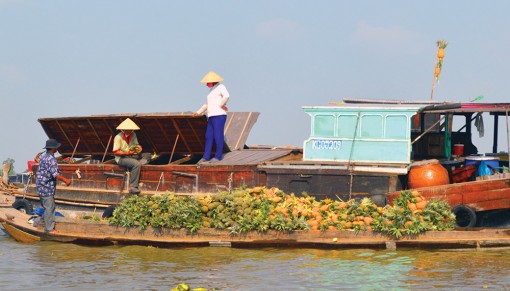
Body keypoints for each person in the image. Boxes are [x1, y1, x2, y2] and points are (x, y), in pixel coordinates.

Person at [35, 138, 71, 234]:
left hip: (40, 186)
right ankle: (49, 229)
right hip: (46, 187)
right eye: (56, 147)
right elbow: (56, 175)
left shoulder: (44, 157)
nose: (57, 149)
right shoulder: (52, 159)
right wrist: (66, 180)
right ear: (53, 148)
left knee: (45, 207)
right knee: (49, 208)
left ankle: (38, 224)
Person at [193, 71, 230, 162]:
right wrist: (198, 112)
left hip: (219, 115)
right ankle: (206, 156)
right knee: (208, 136)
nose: (206, 84)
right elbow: (207, 104)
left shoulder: (221, 87)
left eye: (208, 82)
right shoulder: (211, 91)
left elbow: (227, 96)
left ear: (213, 81)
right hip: (211, 116)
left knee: (218, 135)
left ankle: (218, 156)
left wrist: (221, 105)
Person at [112, 118, 149, 194]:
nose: (130, 131)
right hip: (121, 158)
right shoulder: (118, 137)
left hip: (130, 156)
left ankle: (136, 167)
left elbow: (136, 145)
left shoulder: (133, 134)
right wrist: (127, 153)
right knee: (136, 164)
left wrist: (139, 148)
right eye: (128, 129)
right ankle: (132, 186)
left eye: (131, 129)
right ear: (123, 129)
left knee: (148, 155)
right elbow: (116, 152)